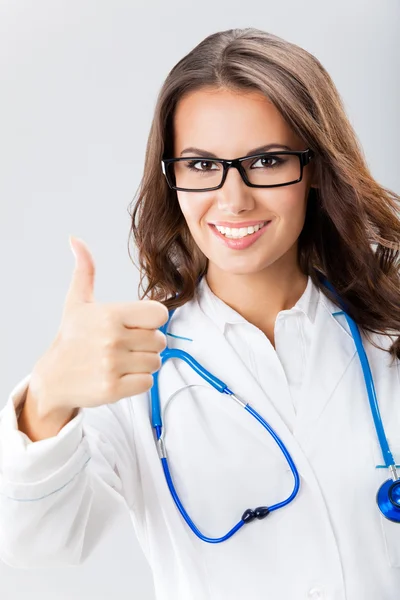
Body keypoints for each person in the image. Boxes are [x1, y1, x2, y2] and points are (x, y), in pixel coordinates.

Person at [1, 26, 400, 600]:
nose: (233, 198)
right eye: (200, 165)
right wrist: (48, 398)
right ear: (172, 178)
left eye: (266, 160)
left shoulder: (387, 341)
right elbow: (37, 543)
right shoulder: (136, 369)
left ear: (314, 170)